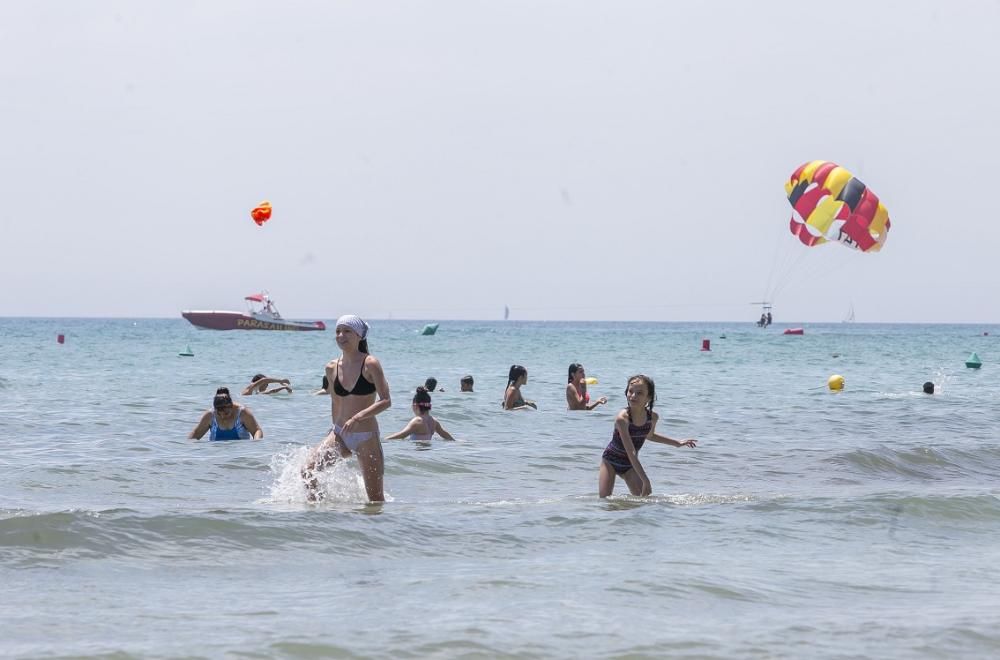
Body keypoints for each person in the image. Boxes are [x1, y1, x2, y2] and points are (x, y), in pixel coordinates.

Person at [302, 315, 391, 502]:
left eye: (347, 331)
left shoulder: (370, 363)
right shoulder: (331, 367)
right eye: (338, 331)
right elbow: (336, 402)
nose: (341, 335)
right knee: (307, 472)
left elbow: (385, 401)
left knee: (375, 500)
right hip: (340, 434)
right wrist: (334, 430)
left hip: (365, 436)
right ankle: (323, 515)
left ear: (359, 335)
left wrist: (357, 417)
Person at [599, 375, 696, 498]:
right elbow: (631, 451)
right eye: (630, 391)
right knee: (605, 501)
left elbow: (649, 435)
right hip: (610, 461)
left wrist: (677, 443)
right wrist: (645, 479)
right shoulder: (622, 418)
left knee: (644, 500)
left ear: (648, 397)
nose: (633, 396)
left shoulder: (652, 418)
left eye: (639, 393)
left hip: (630, 465)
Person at [189, 387, 263, 441]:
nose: (223, 416)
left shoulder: (243, 413)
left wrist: (256, 442)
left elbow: (257, 431)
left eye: (226, 413)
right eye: (219, 414)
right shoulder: (210, 415)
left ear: (232, 406)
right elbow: (195, 435)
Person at [386, 387, 455, 441]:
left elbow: (402, 435)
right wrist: (455, 441)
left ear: (415, 406)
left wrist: (384, 440)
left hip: (417, 454)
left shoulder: (417, 421)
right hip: (428, 452)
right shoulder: (434, 421)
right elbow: (444, 434)